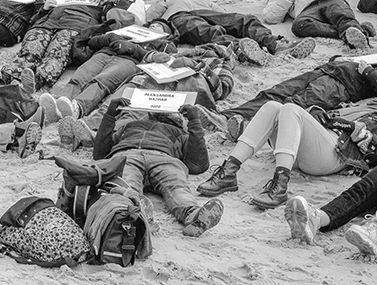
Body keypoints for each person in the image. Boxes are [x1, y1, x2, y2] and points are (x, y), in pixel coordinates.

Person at [199, 101, 372, 211]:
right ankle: (229, 170)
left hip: (336, 153)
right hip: (304, 149)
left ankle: (280, 185)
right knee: (272, 107)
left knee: (290, 109)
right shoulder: (365, 103)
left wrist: (347, 126)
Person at [93, 93, 221, 236]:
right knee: (128, 186)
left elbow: (198, 164)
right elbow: (100, 152)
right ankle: (134, 213)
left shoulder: (181, 133)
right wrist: (110, 115)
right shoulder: (130, 125)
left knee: (176, 186)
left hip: (162, 158)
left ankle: (194, 215)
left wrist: (194, 121)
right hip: (128, 155)